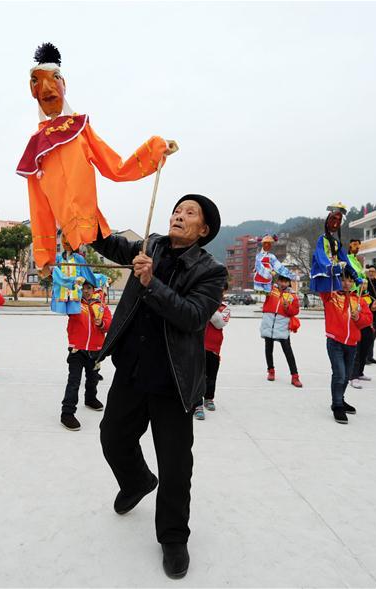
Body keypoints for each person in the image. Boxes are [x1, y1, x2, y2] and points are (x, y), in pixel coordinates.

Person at [91, 194, 226, 579]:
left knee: (175, 466)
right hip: (132, 370)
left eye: (189, 213)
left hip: (173, 380)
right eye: (177, 210)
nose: (178, 216)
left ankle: (172, 537)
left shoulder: (211, 270)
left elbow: (193, 316)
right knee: (112, 436)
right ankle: (136, 481)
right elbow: (111, 243)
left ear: (204, 230)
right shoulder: (150, 244)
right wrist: (84, 219)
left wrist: (151, 282)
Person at [16, 42, 178, 273]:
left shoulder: (80, 130)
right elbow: (39, 207)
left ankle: (165, 258)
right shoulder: (36, 149)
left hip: (90, 222)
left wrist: (156, 150)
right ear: (32, 91)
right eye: (37, 82)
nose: (46, 88)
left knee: (124, 250)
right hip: (69, 230)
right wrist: (45, 255)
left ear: (64, 84)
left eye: (54, 78)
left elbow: (116, 167)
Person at [320, 267, 372, 424]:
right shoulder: (331, 296)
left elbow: (367, 320)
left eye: (350, 280)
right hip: (335, 341)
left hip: (352, 343)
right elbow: (322, 285)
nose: (346, 283)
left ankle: (340, 399)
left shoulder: (359, 300)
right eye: (343, 279)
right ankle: (337, 406)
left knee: (346, 376)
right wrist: (333, 268)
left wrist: (358, 317)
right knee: (339, 374)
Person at [60, 279, 112, 430]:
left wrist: (101, 324)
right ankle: (67, 413)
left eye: (89, 288)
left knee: (93, 377)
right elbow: (64, 305)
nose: (86, 291)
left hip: (95, 350)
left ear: (94, 289)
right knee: (74, 382)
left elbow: (109, 323)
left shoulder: (101, 306)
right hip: (77, 349)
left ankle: (90, 398)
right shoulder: (75, 305)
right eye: (83, 288)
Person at [260, 273, 302, 387]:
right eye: (281, 281)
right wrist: (263, 272)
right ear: (277, 281)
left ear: (289, 283)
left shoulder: (292, 296)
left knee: (288, 351)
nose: (283, 284)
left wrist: (287, 307)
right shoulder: (270, 290)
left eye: (286, 281)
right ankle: (271, 371)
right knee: (268, 349)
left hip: (282, 326)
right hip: (269, 323)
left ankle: (295, 376)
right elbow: (260, 286)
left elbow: (295, 311)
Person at [196, 284, 230, 420]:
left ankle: (209, 398)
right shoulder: (200, 303)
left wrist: (209, 306)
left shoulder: (225, 308)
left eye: (221, 291)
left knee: (211, 376)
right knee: (198, 376)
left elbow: (219, 323)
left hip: (214, 348)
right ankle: (197, 404)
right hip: (198, 346)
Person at [310, 202, 359, 293]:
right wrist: (330, 267)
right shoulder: (321, 240)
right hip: (324, 276)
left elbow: (345, 259)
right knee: (330, 301)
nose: (335, 224)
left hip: (334, 276)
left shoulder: (336, 243)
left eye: (338, 221)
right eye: (334, 220)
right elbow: (320, 256)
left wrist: (355, 275)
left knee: (336, 300)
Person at [349, 279, 376, 389]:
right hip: (358, 328)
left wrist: (374, 308)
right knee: (357, 353)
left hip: (368, 327)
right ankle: (353, 376)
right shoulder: (354, 298)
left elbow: (370, 313)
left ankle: (360, 372)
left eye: (366, 284)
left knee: (364, 352)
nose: (364, 286)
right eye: (362, 284)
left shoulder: (369, 297)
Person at [51, 237, 98, 315]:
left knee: (74, 316)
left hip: (75, 292)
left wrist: (101, 279)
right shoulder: (58, 258)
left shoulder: (79, 258)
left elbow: (87, 273)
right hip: (61, 292)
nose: (67, 241)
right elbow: (51, 272)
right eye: (65, 238)